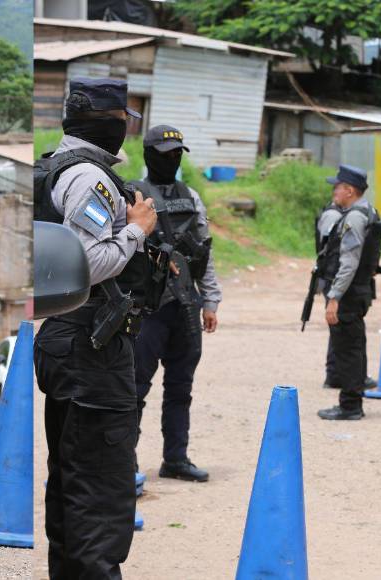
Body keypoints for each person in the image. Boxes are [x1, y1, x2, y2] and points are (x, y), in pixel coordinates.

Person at [33, 78, 164, 579]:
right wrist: (138, 230)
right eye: (123, 122)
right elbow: (87, 261)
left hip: (65, 338)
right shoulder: (92, 180)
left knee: (70, 484)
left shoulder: (53, 168)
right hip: (92, 348)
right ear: (111, 124)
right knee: (100, 490)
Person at [129, 125, 221, 483]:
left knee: (181, 388)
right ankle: (126, 463)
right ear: (149, 154)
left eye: (177, 154)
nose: (171, 159)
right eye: (165, 153)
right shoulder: (134, 195)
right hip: (148, 310)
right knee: (134, 389)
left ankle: (176, 459)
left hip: (185, 305)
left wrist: (210, 300)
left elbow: (205, 254)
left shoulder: (191, 196)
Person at [316, 164, 381, 420]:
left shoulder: (354, 217)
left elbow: (349, 262)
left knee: (347, 349)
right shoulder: (368, 210)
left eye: (338, 187)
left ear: (349, 190)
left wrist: (334, 297)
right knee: (354, 346)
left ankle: (350, 405)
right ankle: (353, 398)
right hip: (359, 291)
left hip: (349, 293)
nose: (334, 191)